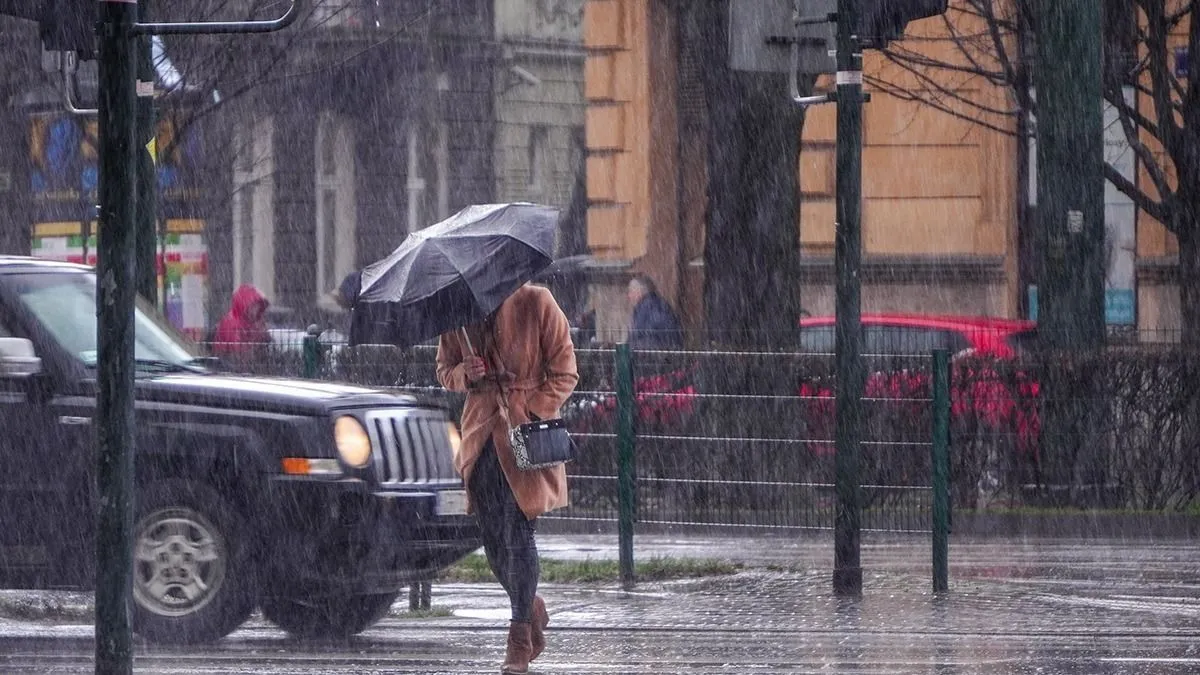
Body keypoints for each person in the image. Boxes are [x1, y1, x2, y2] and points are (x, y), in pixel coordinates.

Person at [435, 283, 579, 675]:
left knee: (518, 534)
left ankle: (518, 637)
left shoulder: (537, 301)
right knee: (493, 539)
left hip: (524, 440)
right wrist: (466, 373)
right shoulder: (458, 314)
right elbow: (444, 371)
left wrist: (531, 408)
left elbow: (565, 372)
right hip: (480, 438)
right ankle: (530, 606)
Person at [211, 284, 271, 358]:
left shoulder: (256, 322)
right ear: (245, 305)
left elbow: (265, 344)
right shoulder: (232, 323)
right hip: (230, 365)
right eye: (253, 305)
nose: (256, 308)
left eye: (258, 305)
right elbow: (237, 351)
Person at [626, 273, 683, 349]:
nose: (629, 296)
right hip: (665, 352)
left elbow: (639, 336)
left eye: (630, 291)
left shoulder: (647, 308)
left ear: (639, 292)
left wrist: (628, 349)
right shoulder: (654, 305)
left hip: (657, 355)